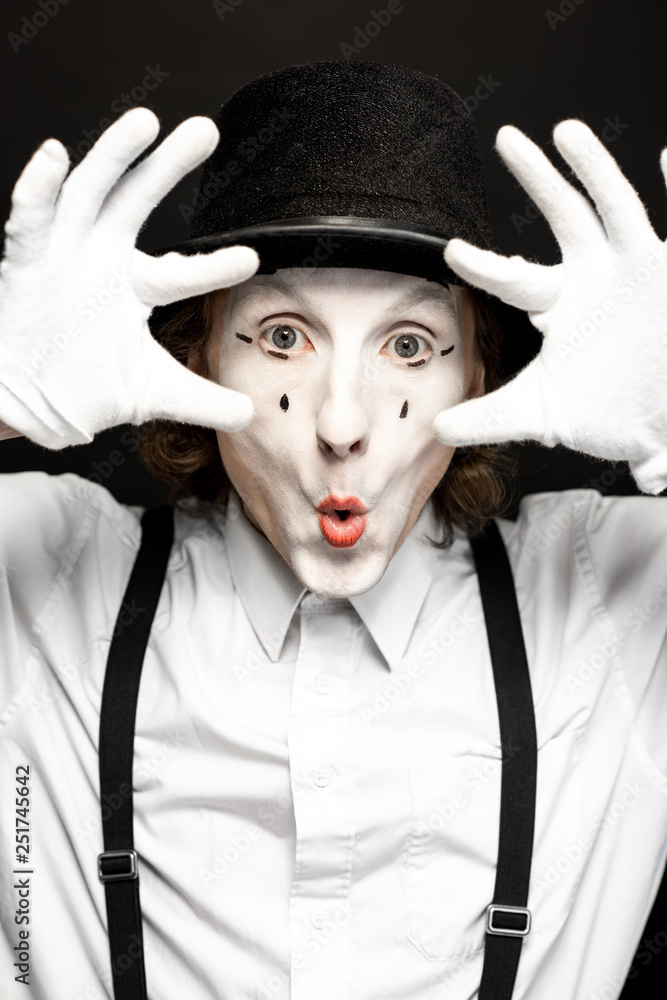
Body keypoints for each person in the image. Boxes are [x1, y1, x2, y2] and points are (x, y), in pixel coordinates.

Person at [0, 59, 666, 1000]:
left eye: (408, 346)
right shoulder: (38, 577)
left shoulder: (615, 600)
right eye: (281, 337)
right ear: (196, 355)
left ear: (478, 375)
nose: (342, 423)